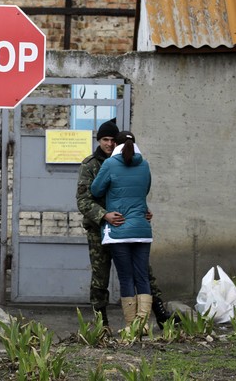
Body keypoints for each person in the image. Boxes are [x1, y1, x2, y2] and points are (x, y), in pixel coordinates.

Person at [76, 121, 174, 330]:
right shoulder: (91, 164)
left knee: (144, 273)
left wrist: (142, 211)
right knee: (100, 277)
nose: (109, 144)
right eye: (105, 140)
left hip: (126, 227)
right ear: (99, 141)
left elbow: (136, 191)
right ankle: (102, 324)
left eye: (112, 140)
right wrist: (104, 215)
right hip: (99, 228)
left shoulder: (128, 161)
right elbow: (83, 200)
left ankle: (162, 317)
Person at [90, 131, 153, 331]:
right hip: (142, 229)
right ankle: (143, 325)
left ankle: (130, 325)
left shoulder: (109, 164)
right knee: (142, 276)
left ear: (116, 144)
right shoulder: (144, 164)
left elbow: (96, 190)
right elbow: (145, 190)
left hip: (119, 230)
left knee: (126, 278)